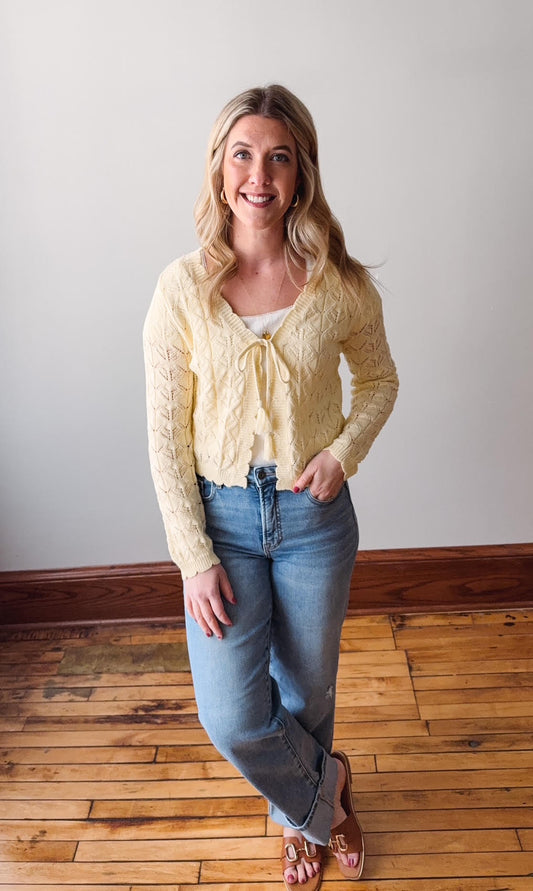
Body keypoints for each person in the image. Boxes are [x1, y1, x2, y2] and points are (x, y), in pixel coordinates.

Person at [143, 84, 398, 888]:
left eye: (279, 157)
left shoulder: (337, 281)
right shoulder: (180, 290)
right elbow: (163, 436)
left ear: (301, 174)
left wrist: (344, 451)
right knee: (231, 712)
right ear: (220, 168)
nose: (260, 174)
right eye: (243, 153)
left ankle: (297, 821)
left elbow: (381, 381)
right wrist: (192, 555)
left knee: (307, 686)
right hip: (220, 519)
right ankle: (327, 795)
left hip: (314, 518)